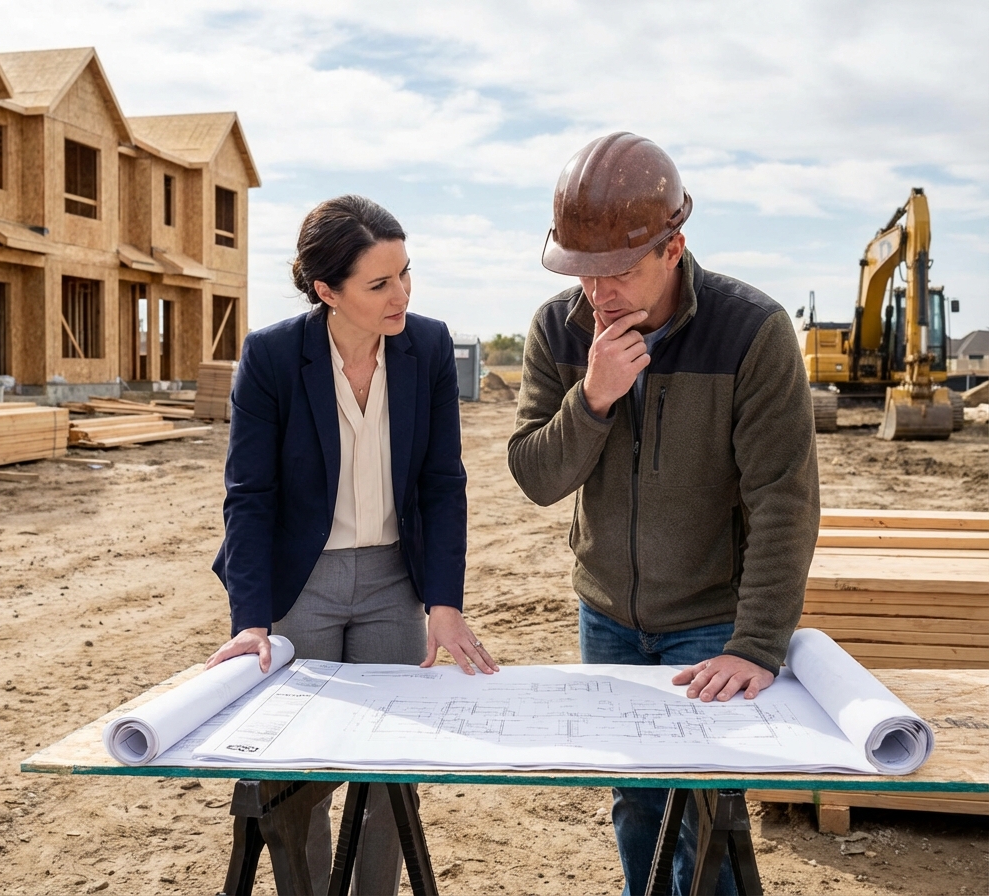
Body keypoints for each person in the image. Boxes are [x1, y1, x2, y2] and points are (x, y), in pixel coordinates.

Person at [508, 133, 820, 895]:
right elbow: (536, 476)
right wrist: (592, 400)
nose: (596, 294)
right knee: (637, 802)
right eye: (582, 273)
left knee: (709, 815)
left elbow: (784, 497)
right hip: (607, 617)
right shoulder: (559, 329)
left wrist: (756, 644)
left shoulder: (751, 331)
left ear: (674, 246)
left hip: (711, 623)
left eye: (616, 272)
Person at [208, 194, 498, 895]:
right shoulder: (273, 356)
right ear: (326, 291)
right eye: (379, 283)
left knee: (389, 774)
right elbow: (249, 496)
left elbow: (440, 483)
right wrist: (252, 620)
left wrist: (444, 603)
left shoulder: (426, 346)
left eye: (405, 273)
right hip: (299, 586)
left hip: (394, 586)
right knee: (299, 775)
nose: (400, 294)